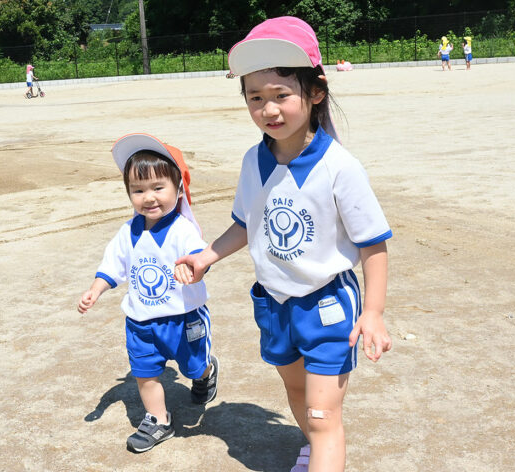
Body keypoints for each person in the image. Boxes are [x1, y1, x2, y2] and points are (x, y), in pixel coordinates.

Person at [173, 16, 392, 472]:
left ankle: (323, 445)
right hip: (274, 303)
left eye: (280, 95)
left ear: (315, 92)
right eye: (255, 98)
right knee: (296, 394)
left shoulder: (340, 167)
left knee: (323, 412)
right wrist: (206, 256)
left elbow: (373, 245)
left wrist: (372, 312)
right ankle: (314, 447)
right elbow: (246, 225)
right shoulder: (255, 160)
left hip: (327, 304)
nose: (268, 109)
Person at [78, 133, 219, 453]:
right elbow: (112, 266)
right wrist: (95, 290)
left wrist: (193, 268)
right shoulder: (127, 232)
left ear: (178, 188)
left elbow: (200, 257)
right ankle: (158, 419)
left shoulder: (183, 229)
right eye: (138, 190)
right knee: (145, 373)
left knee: (194, 367)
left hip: (183, 319)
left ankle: (206, 372)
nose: (149, 197)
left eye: (158, 188)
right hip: (141, 322)